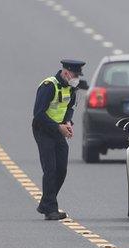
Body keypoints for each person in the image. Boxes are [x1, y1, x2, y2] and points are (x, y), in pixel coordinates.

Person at [32, 59, 86, 220]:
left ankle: (45, 203)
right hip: (43, 130)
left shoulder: (72, 87)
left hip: (58, 130)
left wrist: (68, 122)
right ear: (66, 72)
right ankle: (50, 209)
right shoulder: (49, 86)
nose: (77, 78)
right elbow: (38, 115)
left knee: (61, 170)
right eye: (75, 75)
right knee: (50, 170)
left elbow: (69, 108)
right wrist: (58, 127)